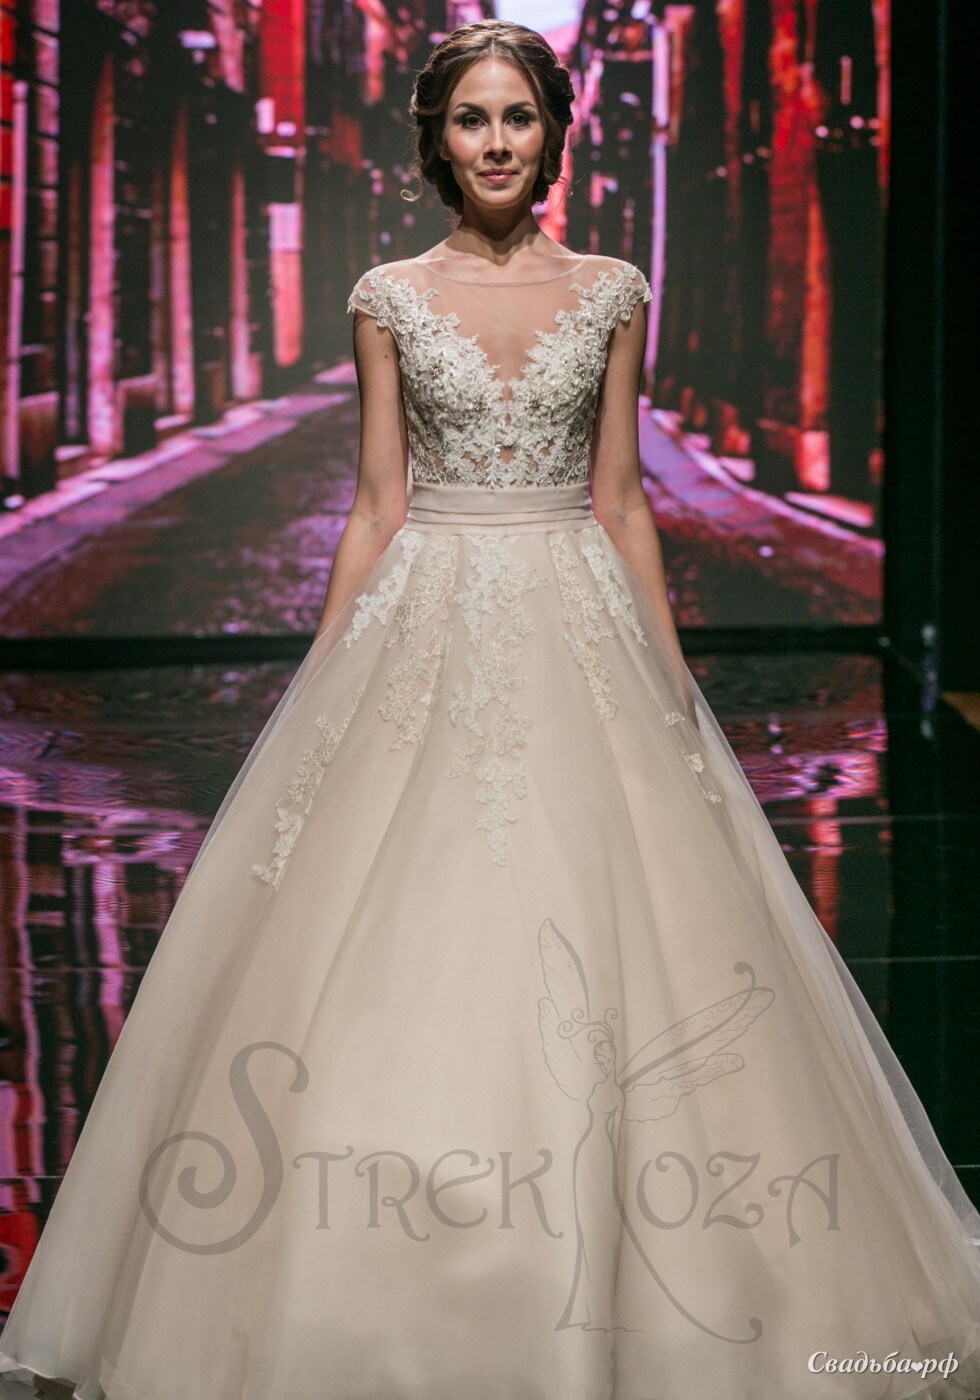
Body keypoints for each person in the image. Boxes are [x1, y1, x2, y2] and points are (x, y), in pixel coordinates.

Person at [2, 18, 979, 1400]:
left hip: (576, 608)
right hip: (429, 609)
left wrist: (670, 680)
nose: (498, 141)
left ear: (555, 130)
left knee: (628, 915)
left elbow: (623, 498)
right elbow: (376, 504)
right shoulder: (389, 295)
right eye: (472, 118)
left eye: (519, 115)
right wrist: (326, 678)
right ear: (438, 140)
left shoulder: (614, 290)